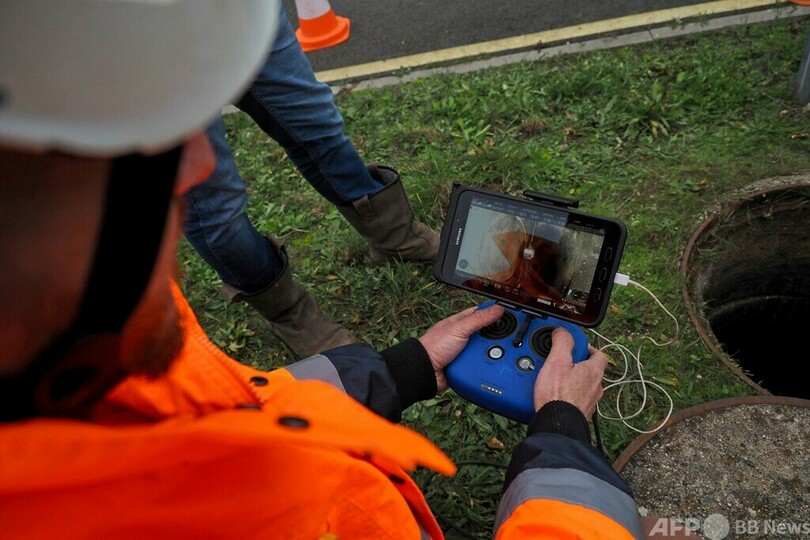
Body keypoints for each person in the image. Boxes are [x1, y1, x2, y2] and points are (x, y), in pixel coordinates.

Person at [0, 1, 643, 538]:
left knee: (314, 129)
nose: (197, 162)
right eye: (118, 154)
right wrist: (562, 442)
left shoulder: (93, 371)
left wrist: (400, 370)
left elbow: (224, 414)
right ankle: (288, 310)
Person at [183, 5, 438, 357]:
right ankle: (290, 313)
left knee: (315, 123)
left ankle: (397, 238)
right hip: (136, 34)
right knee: (213, 202)